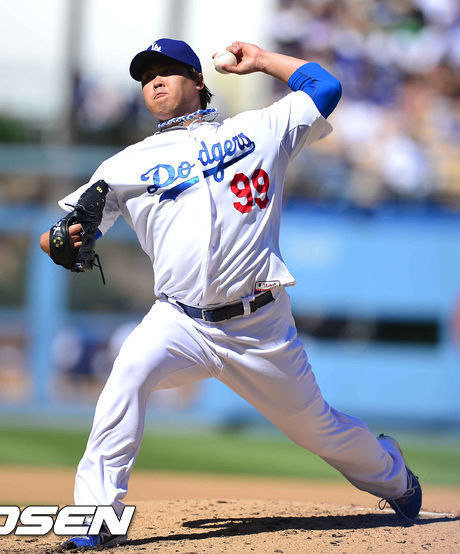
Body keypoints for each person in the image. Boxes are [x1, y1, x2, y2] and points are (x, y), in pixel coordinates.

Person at [40, 38, 422, 549]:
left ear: (198, 80)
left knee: (317, 430)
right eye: (146, 76)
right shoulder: (123, 166)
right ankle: (95, 519)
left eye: (167, 70)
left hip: (258, 326)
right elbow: (62, 234)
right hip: (178, 322)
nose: (155, 81)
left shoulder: (259, 129)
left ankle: (395, 476)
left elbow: (325, 87)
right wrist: (59, 242)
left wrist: (261, 61)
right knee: (126, 376)